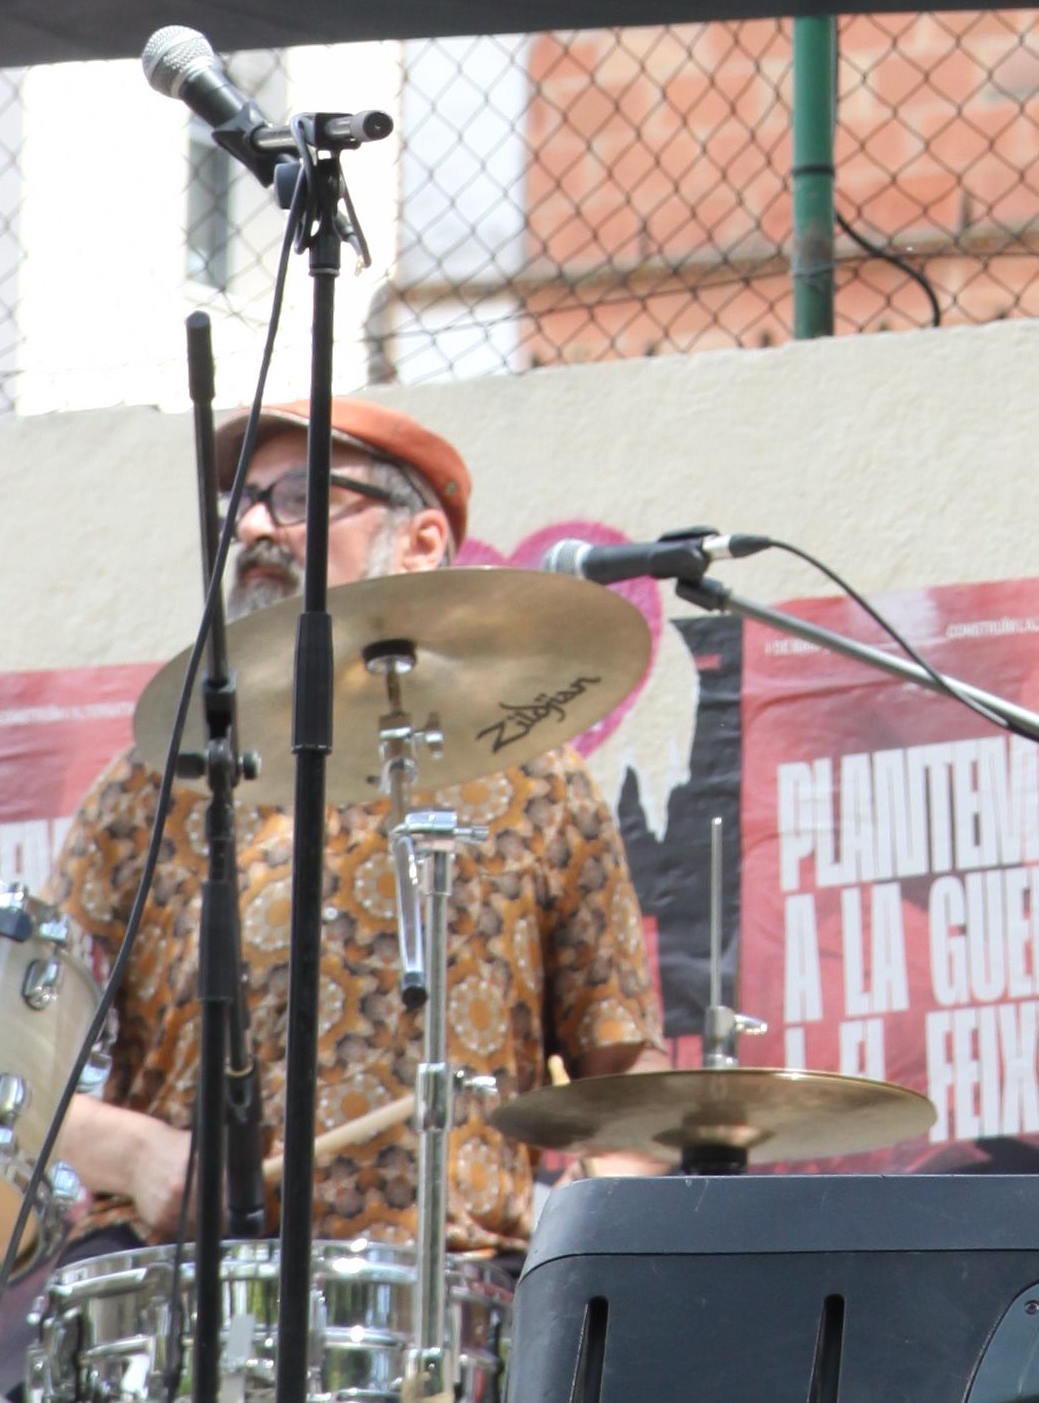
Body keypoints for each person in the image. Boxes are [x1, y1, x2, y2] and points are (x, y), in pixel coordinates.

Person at [52, 392, 663, 1251]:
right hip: (188, 1294)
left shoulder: (540, 784)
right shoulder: (156, 780)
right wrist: (135, 1152)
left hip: (459, 1307)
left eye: (299, 497)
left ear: (420, 547)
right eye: (247, 503)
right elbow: (27, 1074)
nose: (259, 526)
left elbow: (629, 1077)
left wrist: (582, 1219)